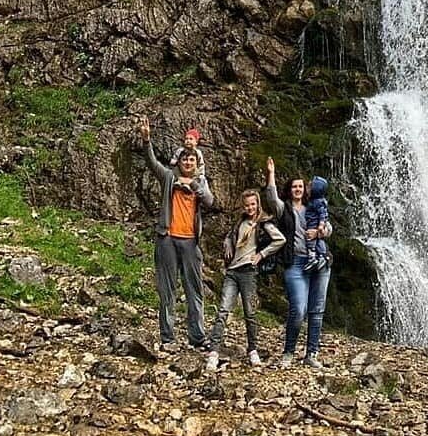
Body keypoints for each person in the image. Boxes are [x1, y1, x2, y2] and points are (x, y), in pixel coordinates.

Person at [137, 116, 214, 351]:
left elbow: (210, 202)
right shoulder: (169, 177)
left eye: (191, 159)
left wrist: (197, 187)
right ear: (179, 161)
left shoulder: (201, 182)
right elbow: (152, 163)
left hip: (190, 241)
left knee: (194, 289)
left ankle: (197, 337)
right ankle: (168, 337)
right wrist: (146, 139)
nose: (188, 162)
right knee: (167, 289)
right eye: (184, 159)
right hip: (167, 238)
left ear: (196, 162)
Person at [205, 189, 285, 372]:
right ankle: (214, 352)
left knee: (250, 313)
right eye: (247, 205)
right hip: (232, 271)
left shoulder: (263, 223)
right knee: (223, 310)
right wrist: (227, 242)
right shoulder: (239, 222)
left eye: (253, 204)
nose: (250, 207)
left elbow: (280, 240)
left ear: (258, 204)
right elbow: (231, 236)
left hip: (249, 272)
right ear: (243, 206)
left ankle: (253, 349)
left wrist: (261, 255)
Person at [265, 156, 333, 369]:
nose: (297, 189)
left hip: (320, 262)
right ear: (290, 189)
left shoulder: (315, 205)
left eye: (301, 186)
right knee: (298, 309)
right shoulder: (283, 208)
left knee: (317, 310)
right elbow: (270, 196)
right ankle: (288, 352)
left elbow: (329, 229)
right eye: (294, 186)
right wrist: (271, 174)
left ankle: (311, 353)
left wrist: (320, 231)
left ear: (305, 189)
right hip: (295, 263)